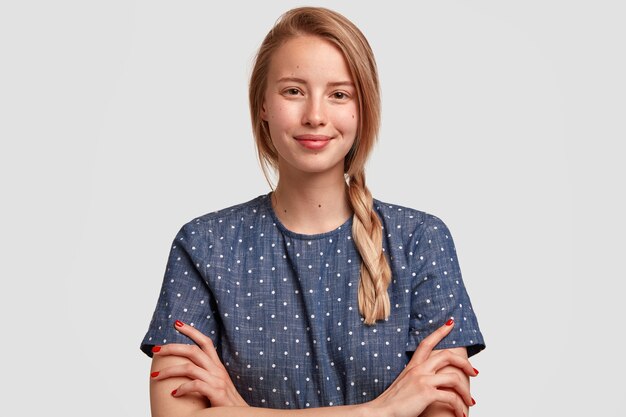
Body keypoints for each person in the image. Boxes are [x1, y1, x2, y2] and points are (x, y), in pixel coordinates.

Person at [140, 6, 485, 417]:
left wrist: (237, 409)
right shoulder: (204, 245)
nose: (315, 116)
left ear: (363, 108)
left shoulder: (421, 241)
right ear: (263, 103)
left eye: (339, 94)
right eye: (293, 91)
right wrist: (380, 411)